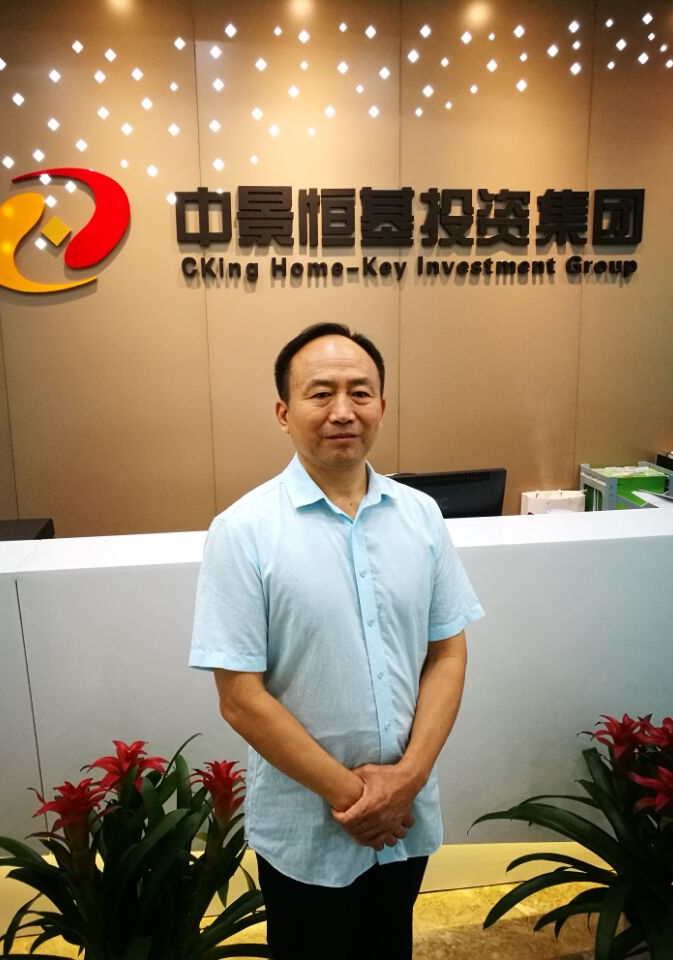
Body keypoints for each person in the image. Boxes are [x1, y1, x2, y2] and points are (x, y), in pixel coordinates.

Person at [189, 322, 484, 960]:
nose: (343, 411)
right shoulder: (242, 531)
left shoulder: (421, 515)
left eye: (360, 392)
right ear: (283, 412)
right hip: (310, 826)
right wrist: (360, 800)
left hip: (405, 820)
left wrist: (407, 780)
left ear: (383, 405)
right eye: (321, 393)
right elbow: (240, 698)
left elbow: (447, 652)